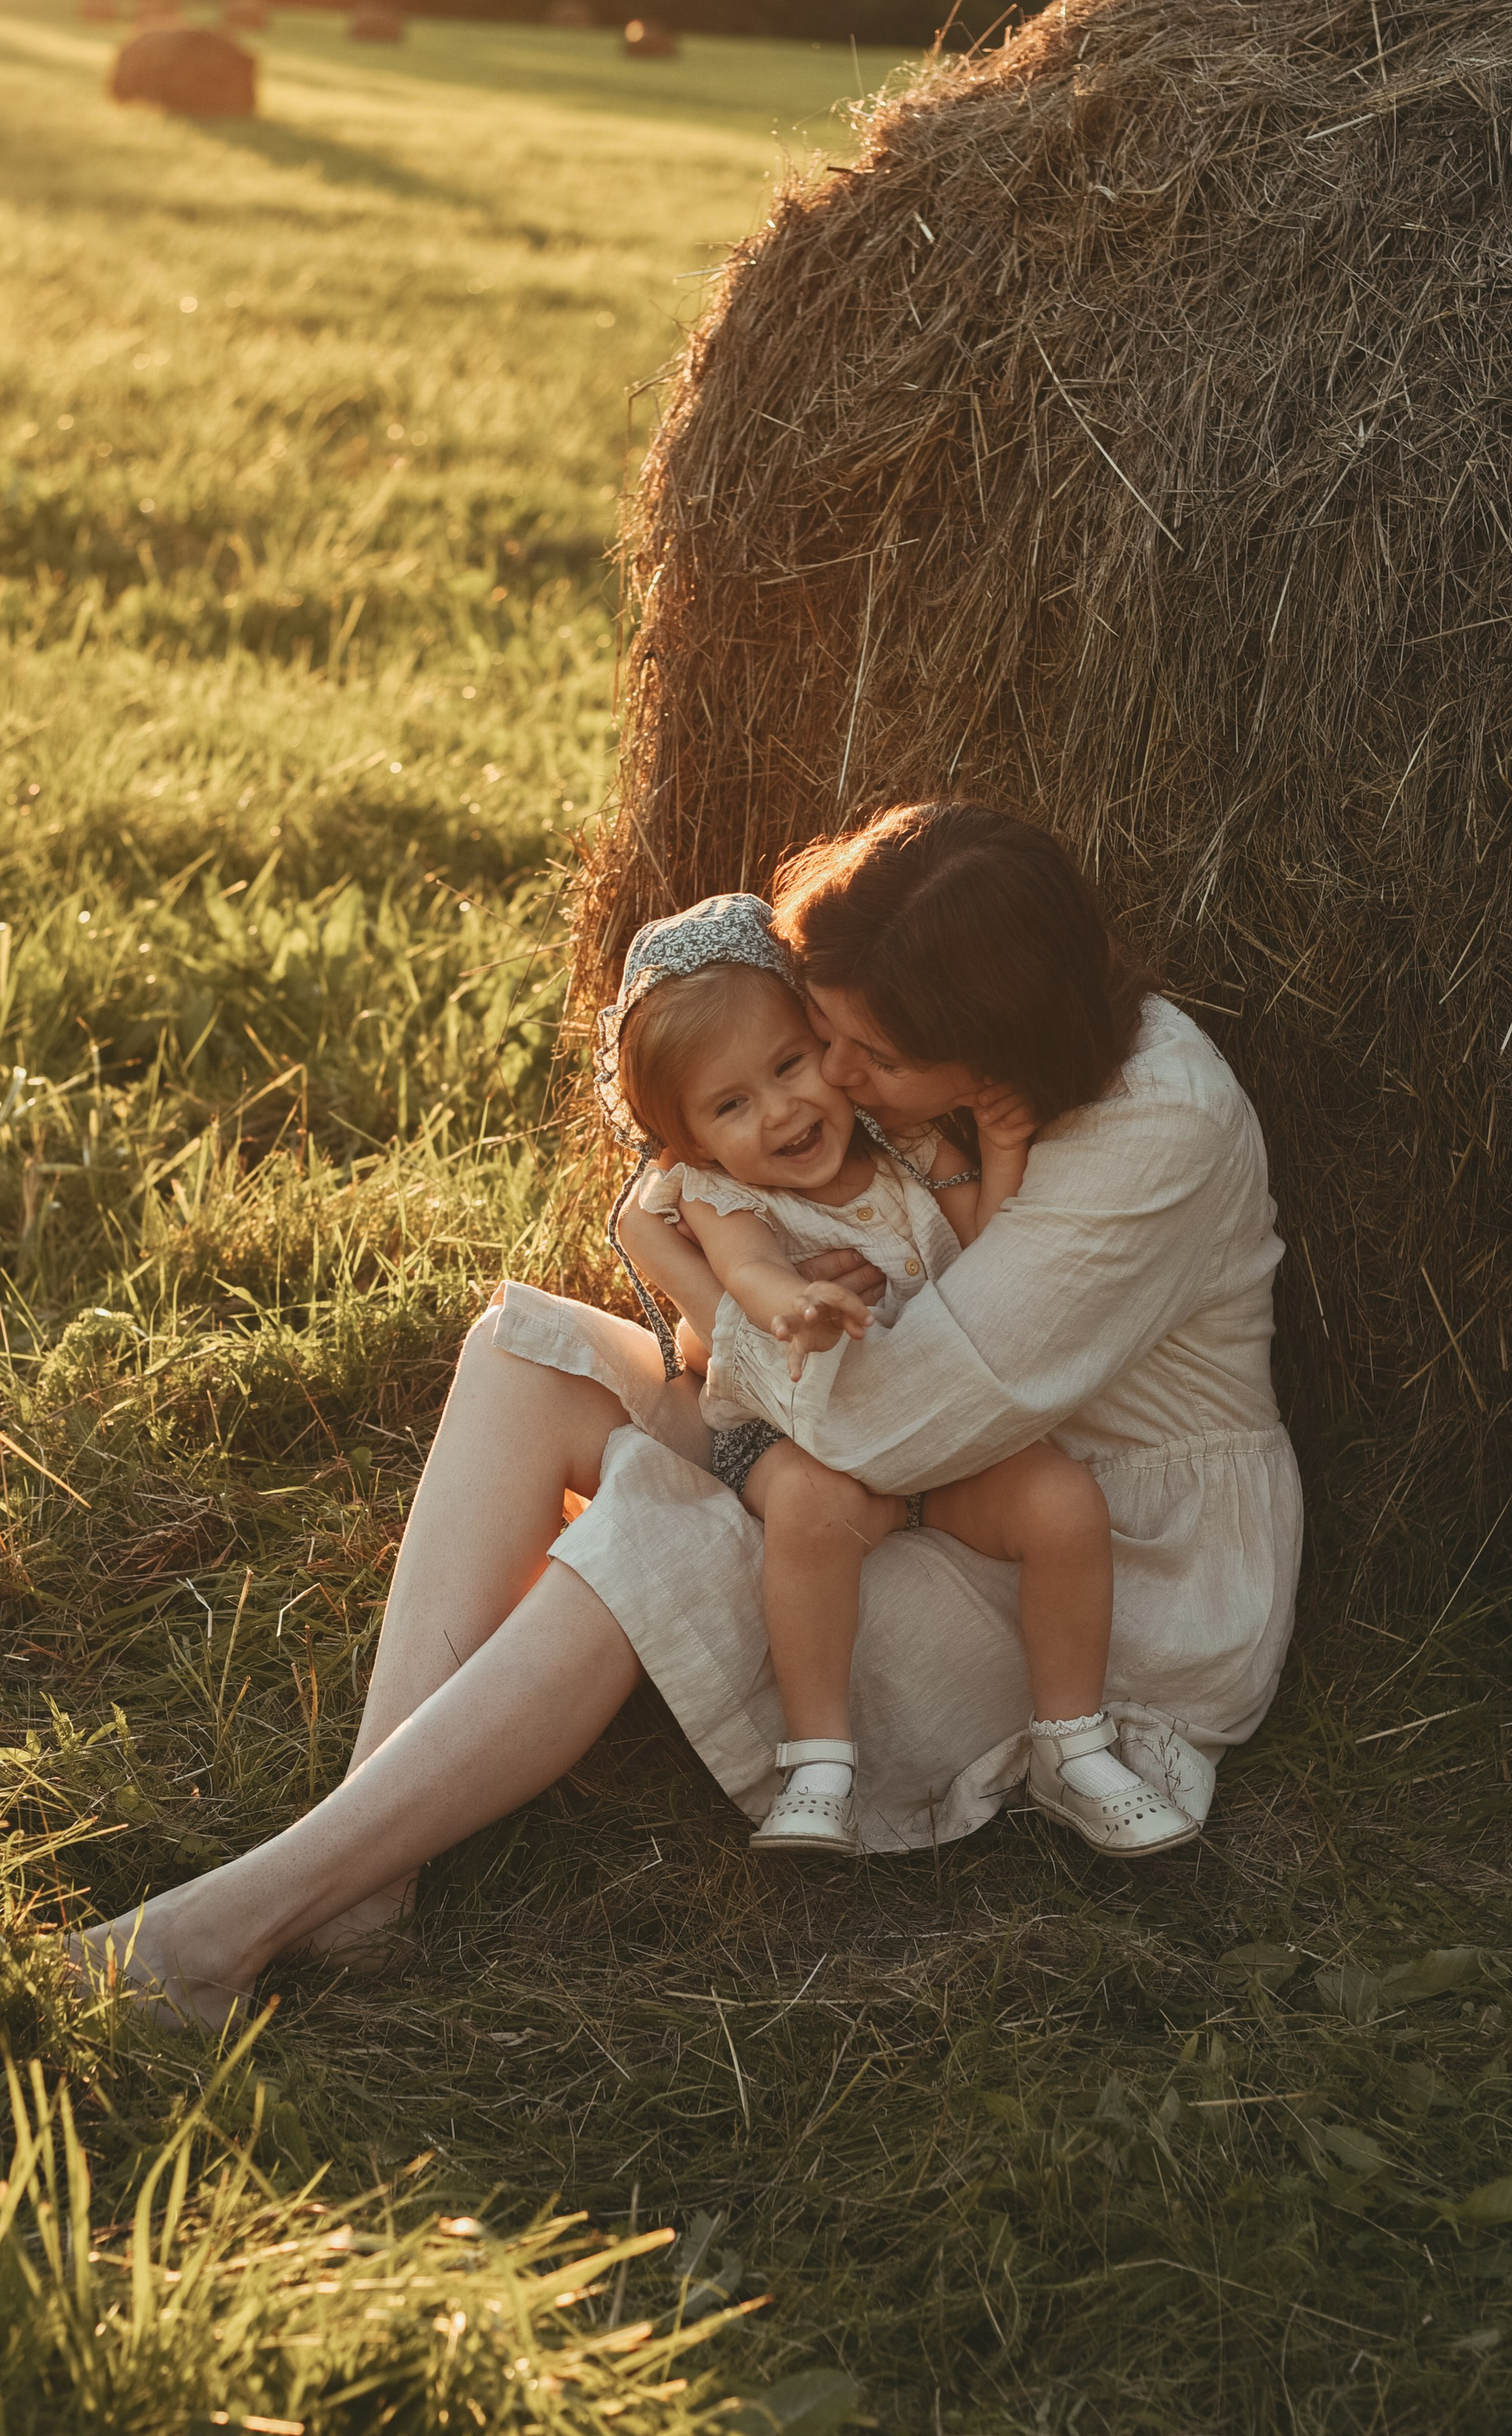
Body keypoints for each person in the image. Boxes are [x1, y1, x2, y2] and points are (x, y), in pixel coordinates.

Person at [71, 803, 1301, 2029]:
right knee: (522, 1352)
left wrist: (699, 1286)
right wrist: (710, 1261)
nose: (836, 1076)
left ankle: (211, 1935)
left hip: (1093, 1564)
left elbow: (890, 1430)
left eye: (860, 1050)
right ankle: (360, 1876)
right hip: (910, 1455)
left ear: (980, 1055)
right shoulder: (978, 1069)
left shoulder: (1153, 1131)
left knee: (655, 1524)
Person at [596, 889, 1157, 1858]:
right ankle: (819, 1762)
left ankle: (1073, 1741)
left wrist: (1005, 1148)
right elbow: (747, 1272)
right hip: (803, 1437)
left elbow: (990, 1243)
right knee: (809, 1505)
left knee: (1062, 1504)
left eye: (789, 1064)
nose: (781, 1110)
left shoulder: (906, 1148)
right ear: (688, 1144)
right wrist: (793, 1309)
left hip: (940, 1438)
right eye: (732, 1104)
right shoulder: (720, 1194)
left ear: (829, 1041)